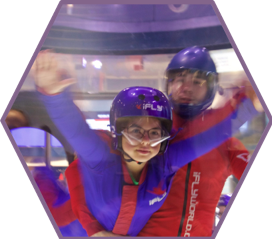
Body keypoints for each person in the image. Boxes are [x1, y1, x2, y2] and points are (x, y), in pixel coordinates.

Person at [33, 49, 259, 236]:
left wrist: (250, 105)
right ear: (118, 132)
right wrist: (54, 96)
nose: (145, 142)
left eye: (154, 134)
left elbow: (209, 138)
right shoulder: (104, 157)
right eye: (135, 131)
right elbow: (76, 134)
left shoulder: (164, 160)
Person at [138, 46, 258, 237]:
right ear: (168, 83)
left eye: (197, 81)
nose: (185, 88)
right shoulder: (150, 133)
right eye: (179, 79)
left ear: (211, 88)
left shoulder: (226, 145)